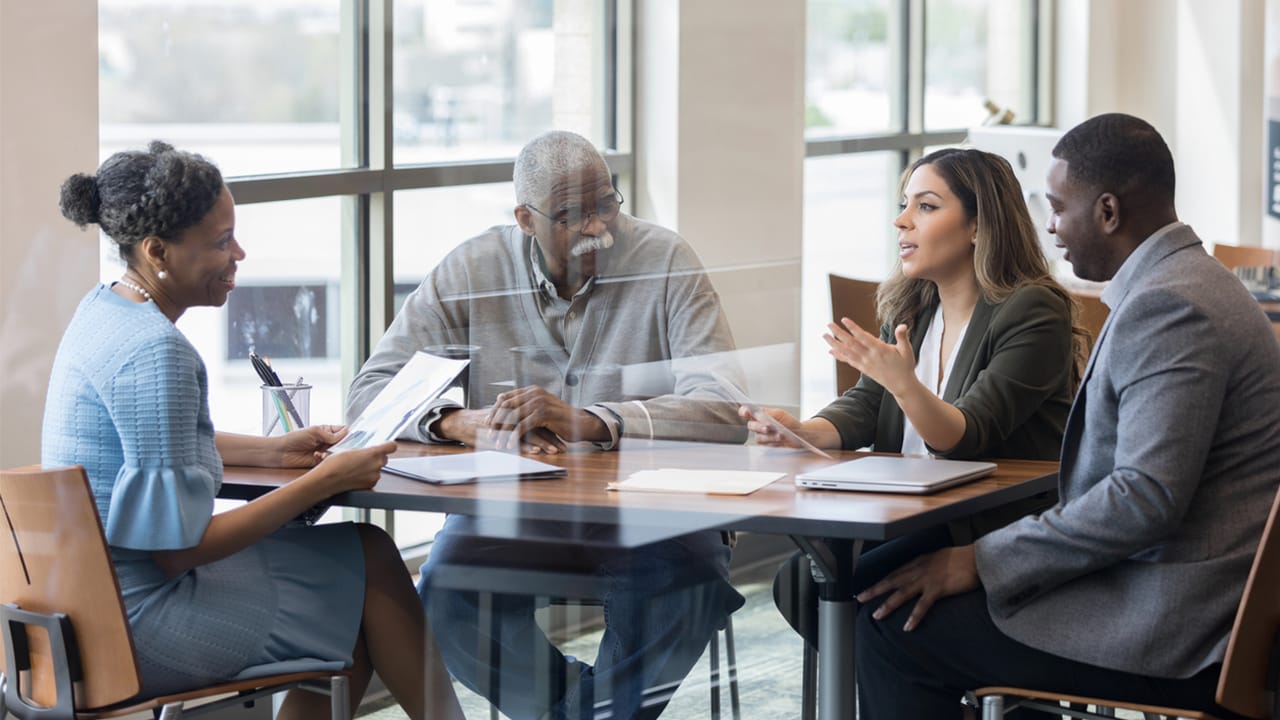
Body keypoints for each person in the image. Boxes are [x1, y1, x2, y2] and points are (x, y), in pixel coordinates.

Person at [852, 114, 1280, 718]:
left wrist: (979, 561)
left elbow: (1144, 499)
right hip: (1192, 602)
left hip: (1177, 629)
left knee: (892, 629)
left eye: (1056, 208)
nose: (1049, 226)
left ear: (1107, 212)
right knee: (889, 598)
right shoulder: (1188, 283)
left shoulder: (1169, 306)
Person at [43, 141, 463, 720]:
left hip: (81, 611)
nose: (239, 253)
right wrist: (324, 481)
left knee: (356, 588)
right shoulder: (156, 352)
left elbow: (147, 447)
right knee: (369, 558)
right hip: (141, 624)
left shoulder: (102, 312)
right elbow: (177, 554)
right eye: (221, 242)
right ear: (157, 250)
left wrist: (273, 451)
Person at [347, 130, 747, 720]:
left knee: (683, 591)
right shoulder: (473, 269)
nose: (597, 227)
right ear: (525, 219)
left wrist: (593, 421)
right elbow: (369, 395)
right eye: (572, 215)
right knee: (448, 597)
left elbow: (725, 406)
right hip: (516, 513)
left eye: (606, 203)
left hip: (656, 515)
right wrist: (459, 423)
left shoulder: (665, 260)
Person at [752, 147, 1086, 649]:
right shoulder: (915, 304)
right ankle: (879, 680)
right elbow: (868, 403)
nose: (901, 220)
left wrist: (904, 383)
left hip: (981, 529)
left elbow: (967, 434)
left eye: (925, 206)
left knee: (838, 598)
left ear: (978, 226)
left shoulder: (1032, 310)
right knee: (802, 586)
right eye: (904, 204)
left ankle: (890, 677)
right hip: (908, 514)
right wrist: (803, 432)